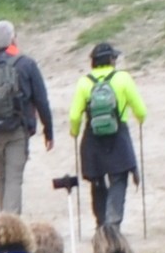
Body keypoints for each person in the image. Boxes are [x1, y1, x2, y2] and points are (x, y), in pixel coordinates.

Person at [61, 40, 145, 239]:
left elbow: (74, 116)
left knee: (97, 181)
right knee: (118, 180)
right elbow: (141, 110)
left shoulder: (84, 82)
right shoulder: (123, 78)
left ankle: (101, 224)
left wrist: (74, 131)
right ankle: (113, 223)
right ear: (111, 60)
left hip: (93, 138)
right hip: (118, 137)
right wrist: (140, 119)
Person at [0, 20, 54, 221]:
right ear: (13, 39)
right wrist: (48, 131)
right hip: (17, 131)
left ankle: (5, 221)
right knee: (13, 179)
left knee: (0, 178)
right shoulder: (26, 64)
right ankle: (9, 224)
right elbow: (41, 100)